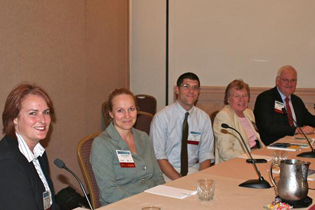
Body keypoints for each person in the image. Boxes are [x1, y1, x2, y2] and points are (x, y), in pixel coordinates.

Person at [90, 88, 165, 206]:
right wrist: (143, 203)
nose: (127, 115)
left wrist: (162, 199)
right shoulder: (102, 144)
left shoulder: (143, 137)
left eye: (131, 109)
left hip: (152, 203)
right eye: (120, 110)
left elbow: (157, 177)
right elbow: (109, 192)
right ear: (111, 113)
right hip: (121, 205)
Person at [0, 83, 59, 210]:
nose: (42, 120)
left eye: (46, 112)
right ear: (14, 118)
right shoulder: (7, 162)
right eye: (33, 113)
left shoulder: (38, 151)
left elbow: (49, 203)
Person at [150, 72, 214, 181]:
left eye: (195, 88)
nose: (191, 91)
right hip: (165, 173)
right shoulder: (162, 118)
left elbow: (206, 154)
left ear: (198, 92)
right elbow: (159, 156)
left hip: (193, 170)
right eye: (186, 86)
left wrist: (201, 179)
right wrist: (180, 181)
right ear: (176, 89)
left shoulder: (204, 118)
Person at [254, 65, 315, 145]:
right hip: (274, 145)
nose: (289, 84)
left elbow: (310, 119)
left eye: (293, 80)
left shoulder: (297, 101)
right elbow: (268, 126)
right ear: (277, 81)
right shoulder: (265, 98)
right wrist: (296, 130)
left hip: (297, 143)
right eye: (285, 80)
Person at [213, 80, 264, 164]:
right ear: (228, 99)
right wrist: (251, 156)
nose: (242, 99)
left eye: (245, 95)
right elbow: (225, 153)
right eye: (237, 96)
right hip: (236, 164)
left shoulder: (248, 112)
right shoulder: (224, 116)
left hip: (255, 157)